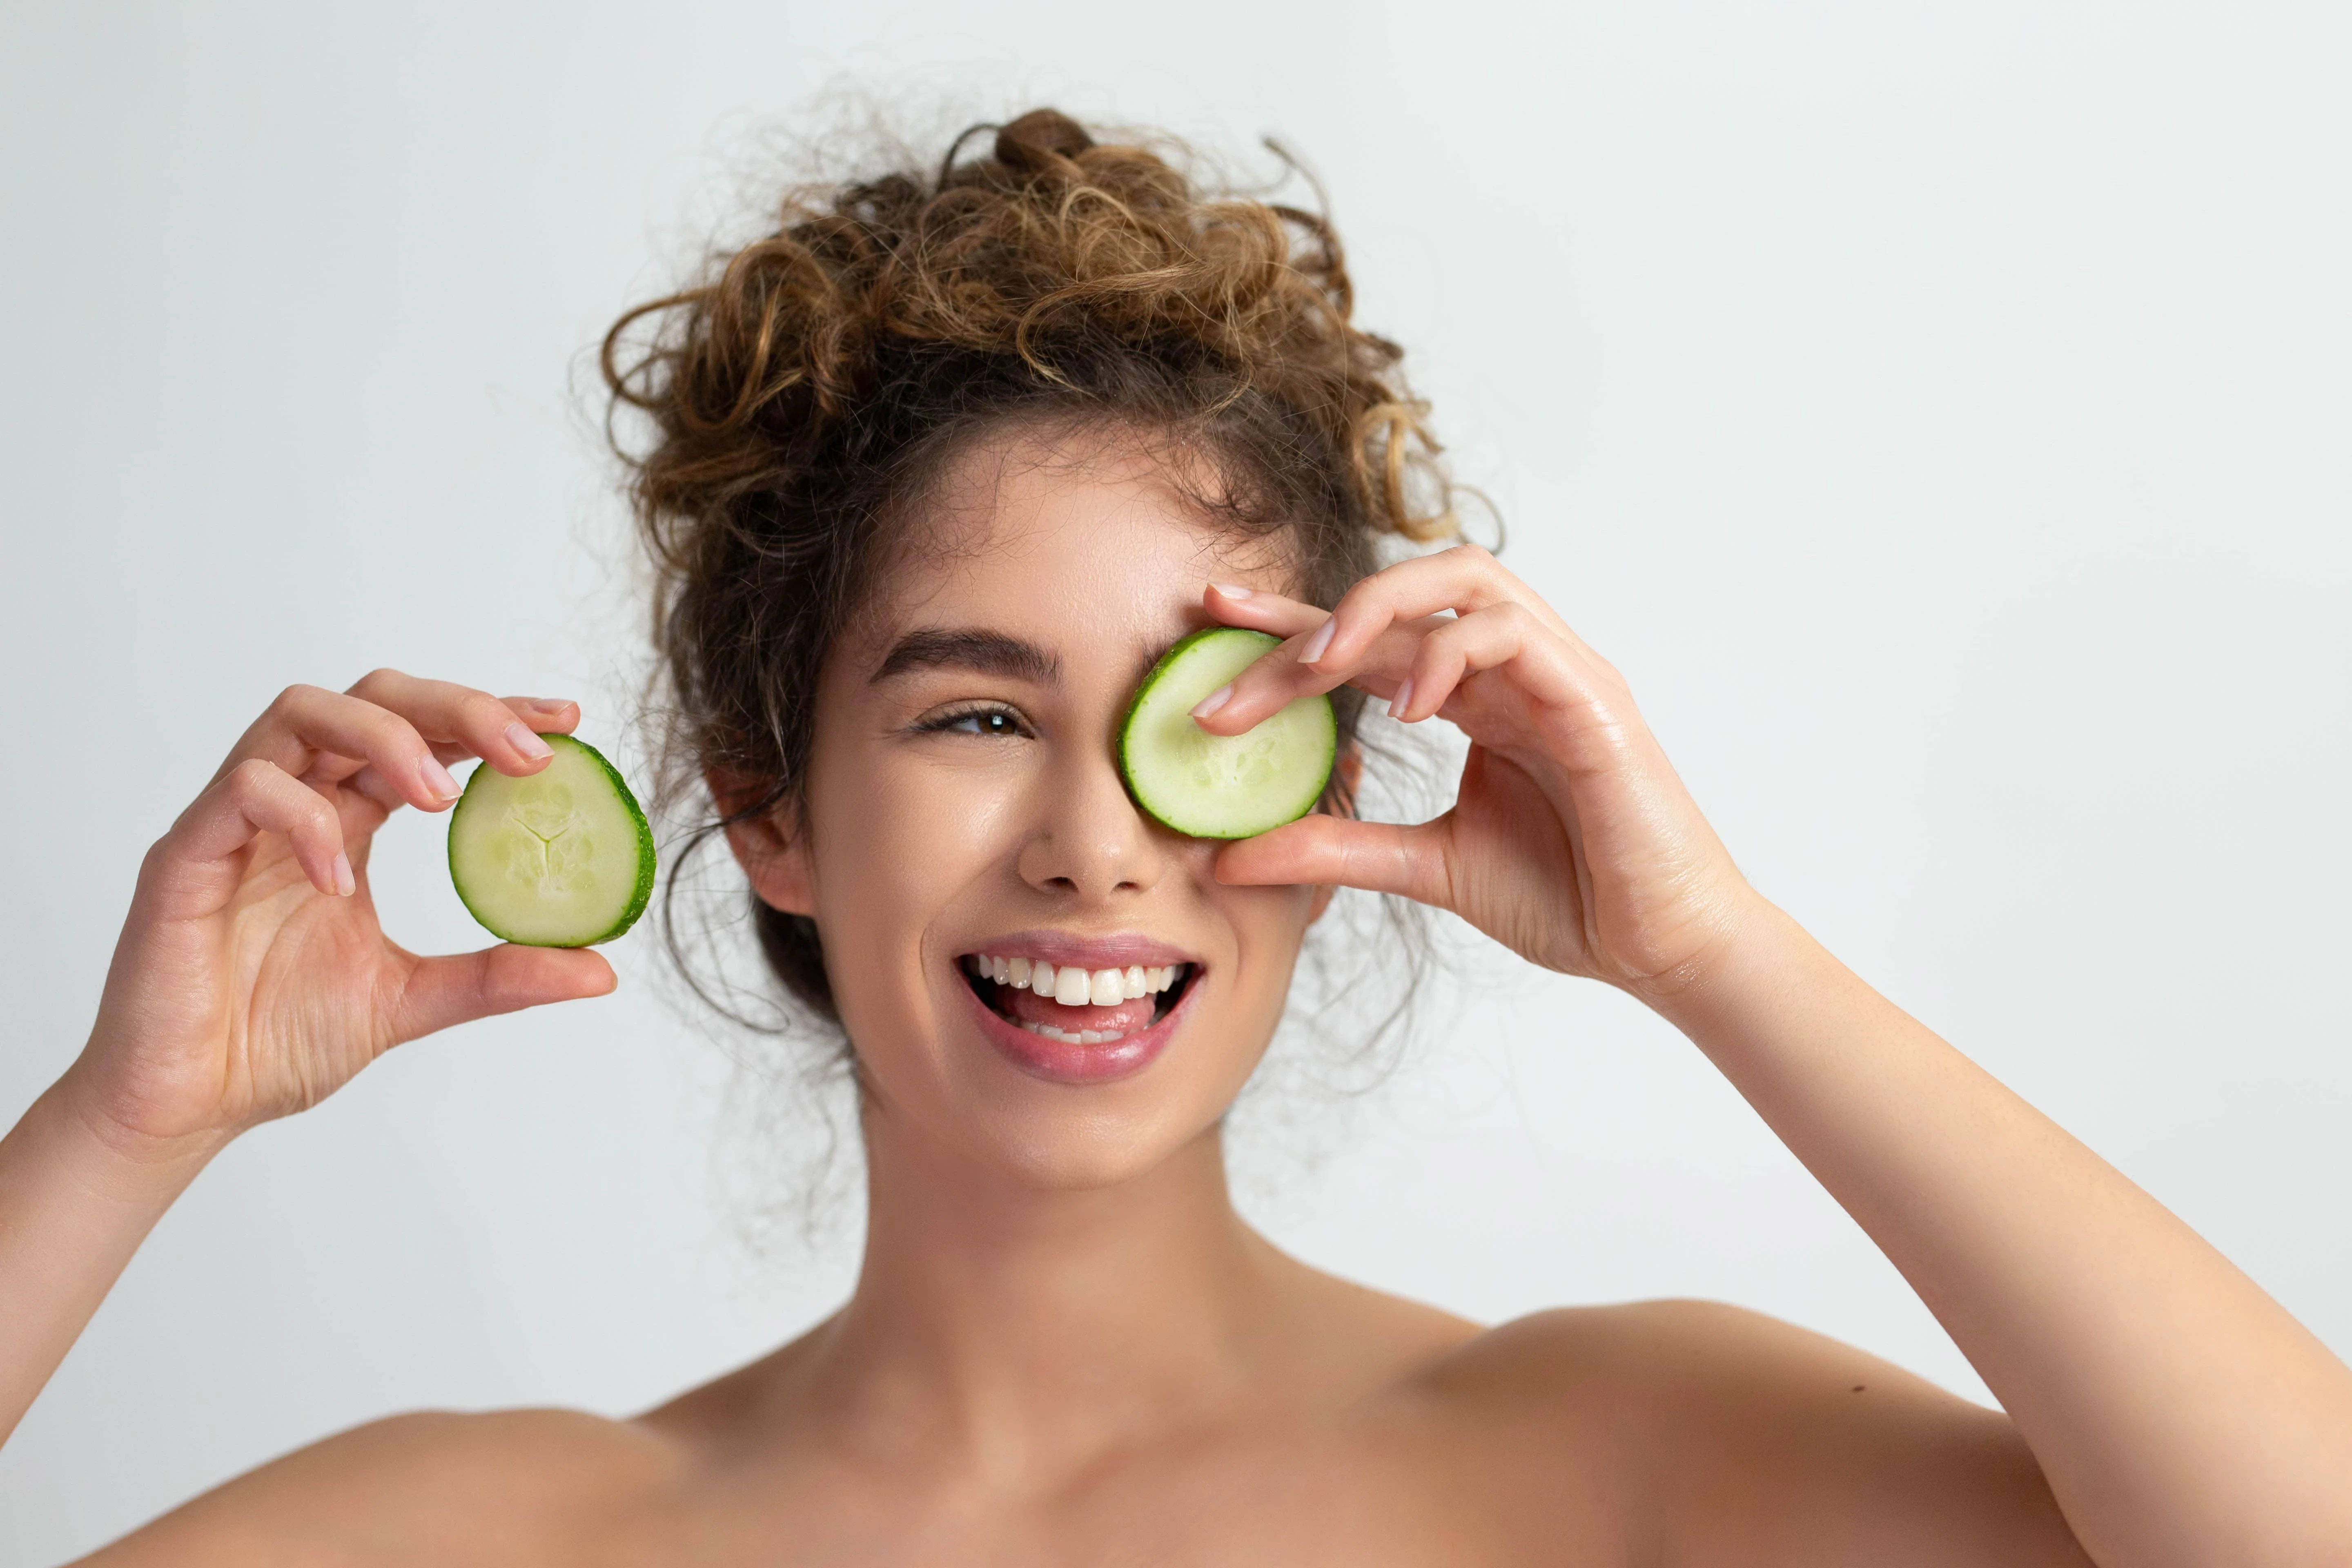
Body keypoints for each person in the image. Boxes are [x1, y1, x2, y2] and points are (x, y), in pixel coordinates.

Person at [2, 107, 2347, 1566]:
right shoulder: (494, 1536)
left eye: (1203, 718)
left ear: (1339, 770)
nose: (1096, 843)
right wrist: (120, 1132)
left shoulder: (1623, 1462)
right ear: (764, 796)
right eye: (978, 710)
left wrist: (1710, 948)